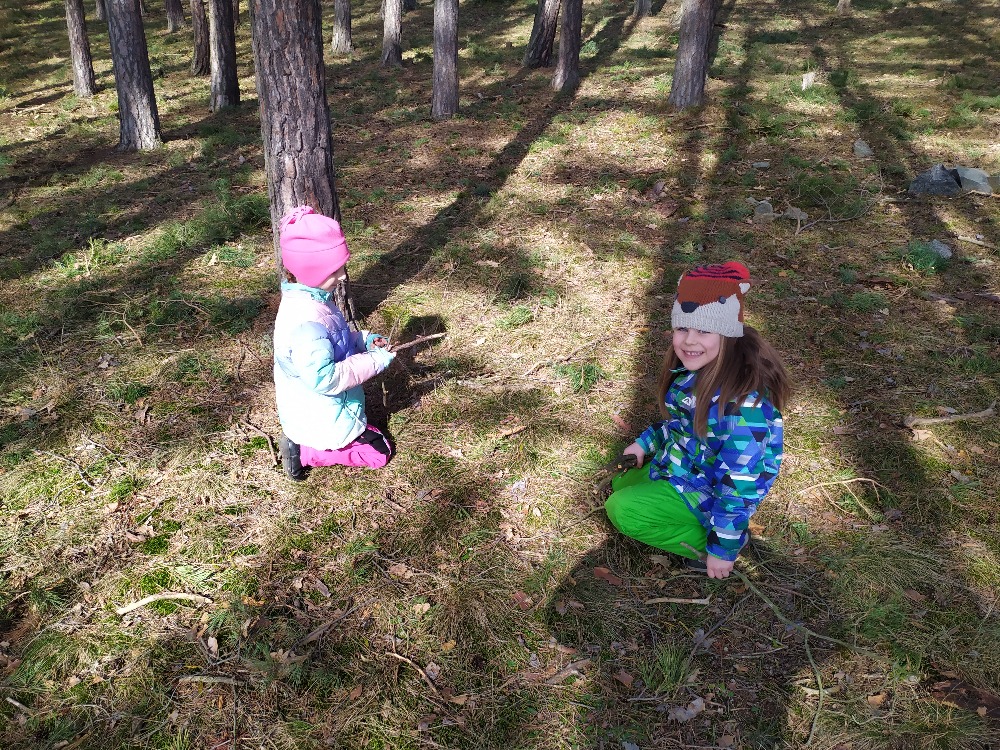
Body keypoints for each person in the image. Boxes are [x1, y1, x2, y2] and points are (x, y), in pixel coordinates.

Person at [605, 261, 790, 579]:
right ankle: (684, 511)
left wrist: (722, 550)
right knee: (620, 483)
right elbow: (678, 426)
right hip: (684, 468)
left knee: (621, 509)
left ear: (727, 334)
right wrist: (644, 443)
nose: (689, 341)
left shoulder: (744, 407)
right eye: (682, 329)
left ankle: (710, 544)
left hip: (710, 490)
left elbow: (738, 483)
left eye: (704, 330)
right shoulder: (692, 374)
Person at [273, 205, 396, 479]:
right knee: (380, 452)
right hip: (321, 416)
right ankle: (304, 452)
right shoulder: (306, 323)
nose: (343, 276)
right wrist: (374, 361)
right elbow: (325, 379)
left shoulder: (313, 302)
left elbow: (335, 343)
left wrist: (364, 341)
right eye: (335, 270)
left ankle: (309, 443)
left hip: (323, 408)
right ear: (312, 270)